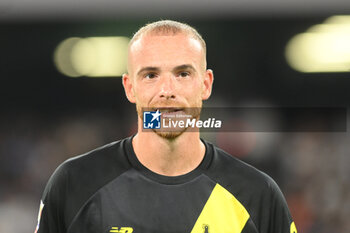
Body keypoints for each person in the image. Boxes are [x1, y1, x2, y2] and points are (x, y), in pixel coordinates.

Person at [35, 20, 297, 233]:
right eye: (150, 75)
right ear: (129, 87)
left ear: (205, 84)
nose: (167, 90)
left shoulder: (257, 194)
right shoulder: (74, 183)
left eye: (183, 73)